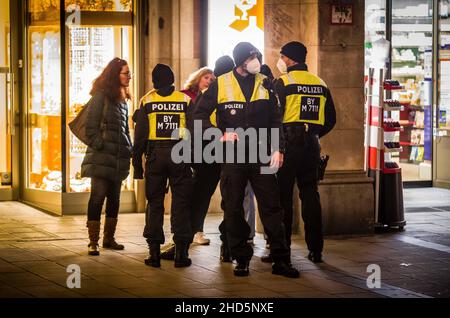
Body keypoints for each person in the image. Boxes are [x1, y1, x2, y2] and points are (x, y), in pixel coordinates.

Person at [192, 42, 299, 278]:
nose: (256, 60)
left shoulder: (265, 82)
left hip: (262, 154)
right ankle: (241, 258)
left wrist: (278, 149)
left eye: (257, 56)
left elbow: (275, 119)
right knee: (233, 208)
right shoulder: (221, 83)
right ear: (241, 60)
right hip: (233, 156)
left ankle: (281, 260)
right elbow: (198, 116)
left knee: (272, 207)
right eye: (252, 56)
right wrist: (218, 134)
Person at [275, 41, 336, 263]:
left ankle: (282, 251)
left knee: (283, 198)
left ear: (289, 59)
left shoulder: (283, 81)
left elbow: (275, 117)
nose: (280, 61)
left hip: (287, 145)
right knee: (310, 195)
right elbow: (331, 119)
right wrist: (313, 135)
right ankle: (316, 250)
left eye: (282, 56)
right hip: (312, 146)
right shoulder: (320, 83)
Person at [132, 63, 194, 268]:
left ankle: (154, 254)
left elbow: (140, 136)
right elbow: (193, 131)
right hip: (180, 155)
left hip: (155, 157)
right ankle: (181, 254)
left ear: (154, 82)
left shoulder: (147, 101)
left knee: (155, 203)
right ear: (173, 80)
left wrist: (137, 165)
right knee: (181, 203)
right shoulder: (184, 100)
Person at [82, 57, 133, 256]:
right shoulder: (101, 96)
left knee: (115, 200)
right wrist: (100, 146)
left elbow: (124, 130)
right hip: (102, 157)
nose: (129, 77)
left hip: (119, 158)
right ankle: (93, 241)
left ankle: (108, 239)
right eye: (126, 73)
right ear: (115, 74)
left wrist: (128, 149)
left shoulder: (122, 99)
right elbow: (90, 127)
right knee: (97, 198)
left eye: (129, 73)